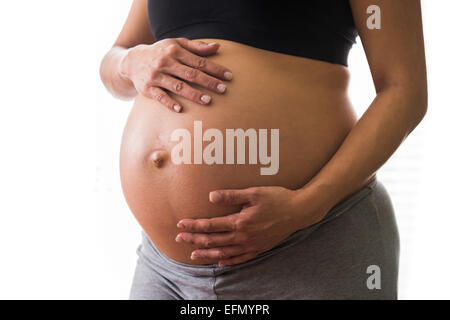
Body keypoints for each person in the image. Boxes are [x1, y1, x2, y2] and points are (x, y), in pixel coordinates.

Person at [99, 0, 427, 299]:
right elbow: (116, 56)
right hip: (165, 269)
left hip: (306, 244)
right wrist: (130, 62)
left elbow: (404, 91)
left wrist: (307, 205)